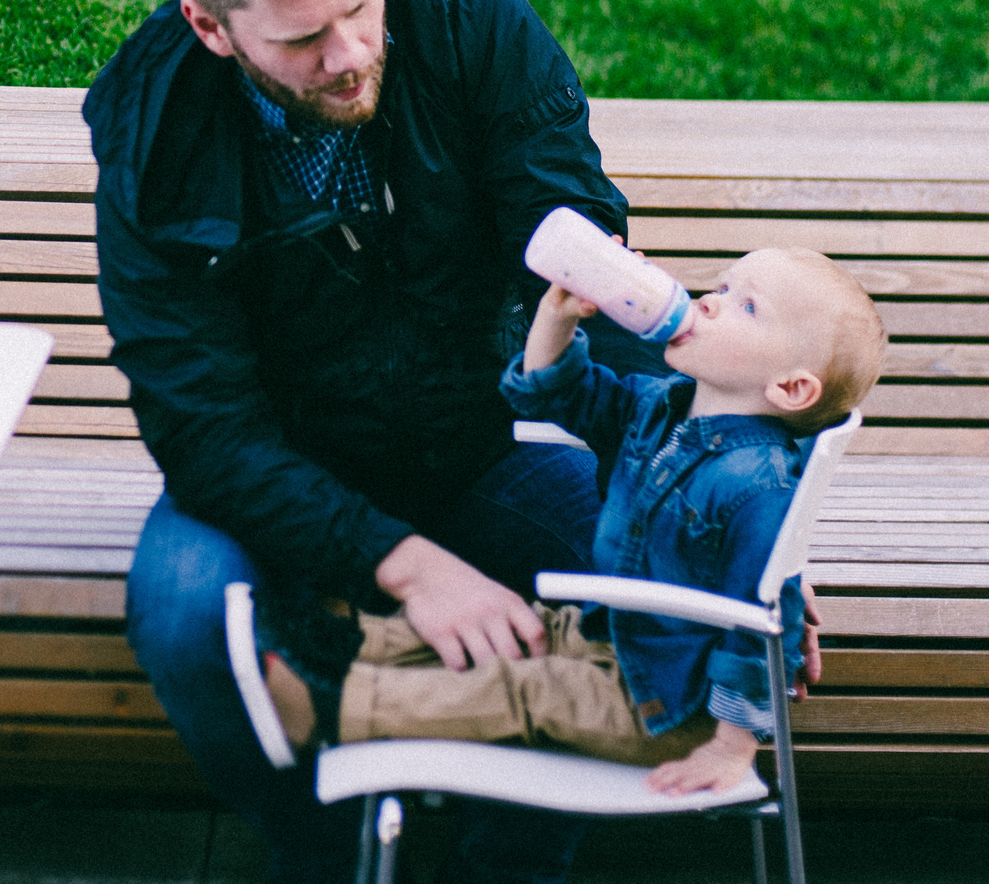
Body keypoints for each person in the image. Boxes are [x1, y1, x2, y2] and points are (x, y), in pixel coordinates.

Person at [86, 0, 674, 884]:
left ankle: (502, 865)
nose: (351, 51)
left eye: (359, 6)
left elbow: (581, 245)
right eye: (304, 37)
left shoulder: (465, 14)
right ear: (211, 26)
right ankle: (323, 855)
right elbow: (200, 427)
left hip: (470, 440)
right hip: (267, 473)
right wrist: (407, 563)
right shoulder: (154, 128)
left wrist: (727, 501)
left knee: (674, 578)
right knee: (184, 620)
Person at [245, 247, 886, 797]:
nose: (709, 301)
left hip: (666, 707)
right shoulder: (662, 408)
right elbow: (556, 392)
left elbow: (766, 629)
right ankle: (341, 647)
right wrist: (556, 316)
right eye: (722, 286)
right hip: (615, 636)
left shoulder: (758, 487)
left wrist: (732, 747)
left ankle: (336, 706)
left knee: (532, 689)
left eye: (746, 307)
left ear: (792, 390)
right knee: (531, 632)